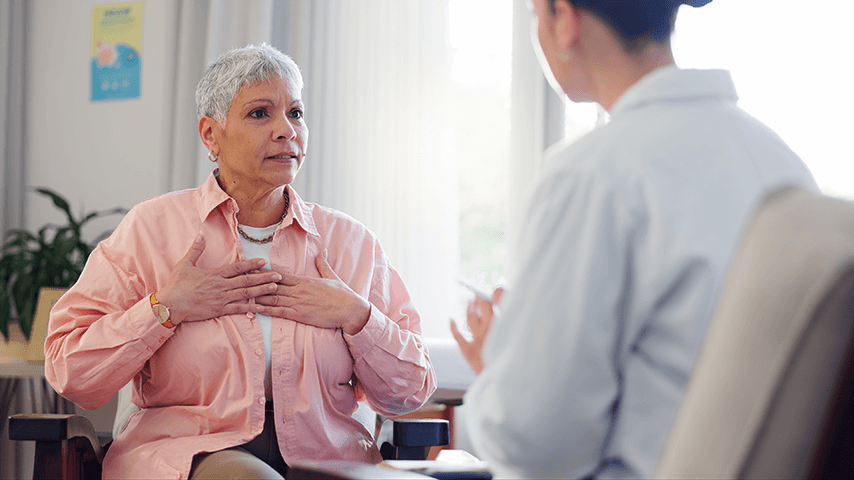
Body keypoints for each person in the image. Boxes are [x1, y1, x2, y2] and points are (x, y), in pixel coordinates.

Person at [451, 0, 818, 478]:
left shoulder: (593, 175)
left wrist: (500, 374)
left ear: (564, 19)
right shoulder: (782, 163)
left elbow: (535, 445)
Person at [44, 43, 436, 480]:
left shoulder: (352, 242)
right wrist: (165, 309)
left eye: (297, 113)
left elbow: (411, 389)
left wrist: (356, 315)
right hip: (193, 453)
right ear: (211, 134)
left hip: (328, 459)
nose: (287, 130)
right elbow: (70, 370)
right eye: (260, 113)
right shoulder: (152, 229)